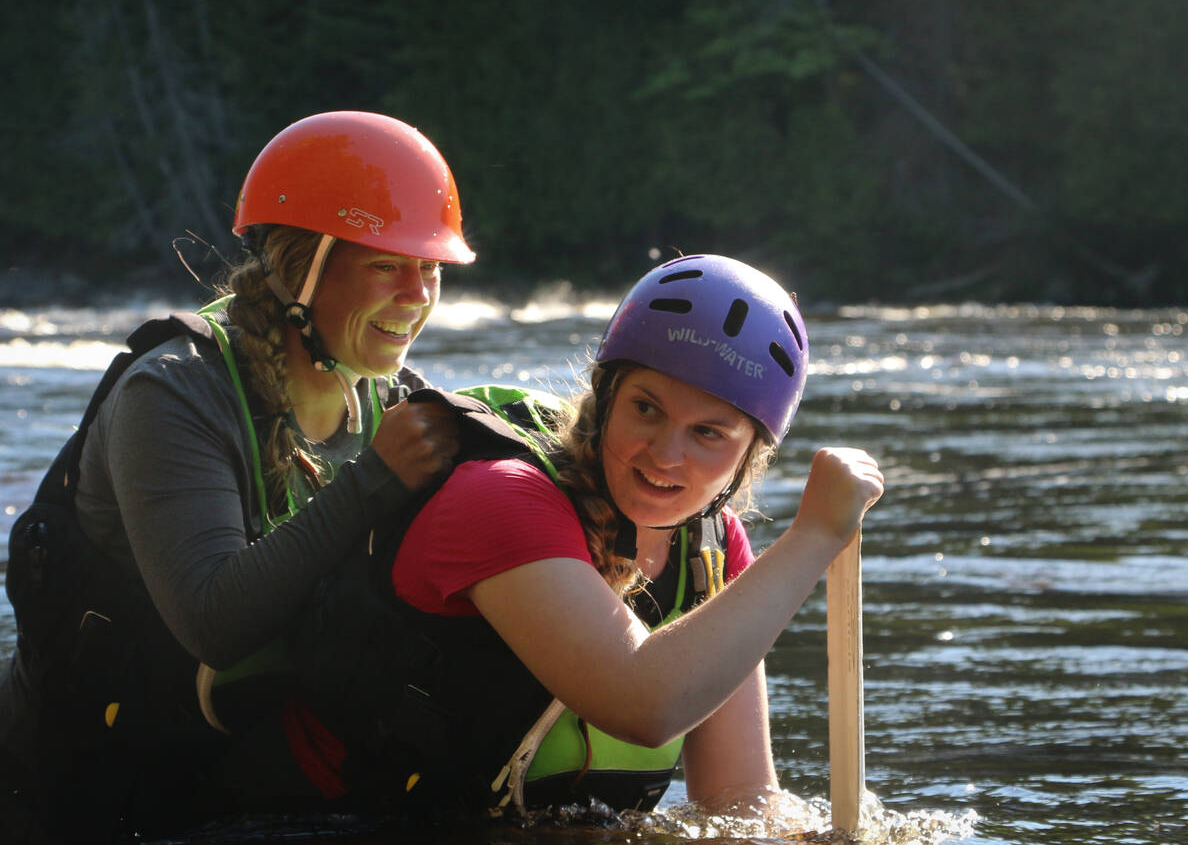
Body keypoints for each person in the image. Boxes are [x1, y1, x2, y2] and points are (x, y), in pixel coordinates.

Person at [0, 110, 473, 842]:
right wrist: (374, 478)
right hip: (48, 801)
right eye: (387, 263)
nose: (418, 293)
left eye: (431, 269)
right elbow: (215, 620)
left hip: (217, 793)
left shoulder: (388, 399)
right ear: (301, 266)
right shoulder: (172, 392)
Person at [281, 254, 884, 822]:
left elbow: (740, 800)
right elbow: (643, 703)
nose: (666, 455)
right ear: (606, 395)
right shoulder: (498, 498)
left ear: (751, 455)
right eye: (646, 409)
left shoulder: (713, 550)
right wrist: (814, 536)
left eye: (708, 433)